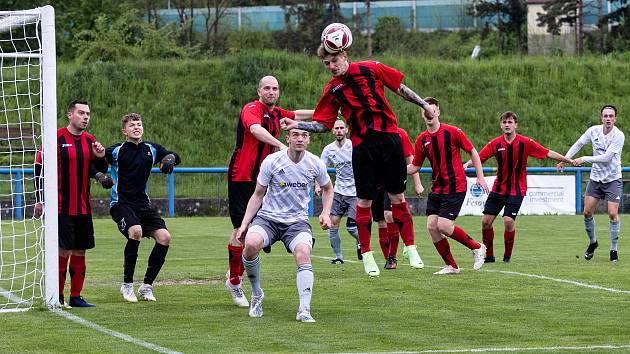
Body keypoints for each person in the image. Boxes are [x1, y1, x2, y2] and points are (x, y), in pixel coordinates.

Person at [281, 45, 432, 277]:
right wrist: (297, 124)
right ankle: (368, 255)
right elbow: (324, 124)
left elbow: (399, 88)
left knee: (398, 197)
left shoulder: (371, 68)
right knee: (364, 201)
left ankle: (411, 247)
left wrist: (424, 104)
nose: (331, 67)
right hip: (362, 147)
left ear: (344, 55)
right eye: (326, 64)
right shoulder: (332, 89)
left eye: (333, 61)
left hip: (390, 139)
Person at [226, 76, 313, 307]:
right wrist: (282, 145)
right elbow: (255, 130)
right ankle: (234, 282)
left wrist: (328, 111)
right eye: (267, 88)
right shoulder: (252, 109)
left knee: (259, 233)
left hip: (267, 179)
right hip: (243, 176)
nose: (271, 91)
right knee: (240, 230)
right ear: (259, 91)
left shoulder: (278, 114)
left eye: (275, 88)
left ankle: (240, 276)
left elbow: (299, 114)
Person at [237, 128, 333, 323]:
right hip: (268, 218)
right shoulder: (272, 161)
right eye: (295, 135)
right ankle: (257, 295)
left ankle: (304, 310)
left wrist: (325, 213)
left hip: (297, 222)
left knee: (303, 254)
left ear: (309, 140)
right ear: (287, 138)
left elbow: (328, 188)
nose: (300, 139)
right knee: (251, 245)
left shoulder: (316, 163)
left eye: (304, 136)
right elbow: (257, 195)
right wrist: (244, 224)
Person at [465, 111, 574, 263]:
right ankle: (489, 256)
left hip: (517, 189)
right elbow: (478, 158)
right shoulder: (495, 144)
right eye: (504, 122)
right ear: (501, 125)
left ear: (515, 125)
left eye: (510, 122)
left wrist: (567, 160)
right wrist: (465, 165)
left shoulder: (526, 143)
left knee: (508, 221)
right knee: (485, 221)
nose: (507, 125)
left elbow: (547, 152)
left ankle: (507, 257)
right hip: (498, 189)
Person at [34, 99, 112, 308]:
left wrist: (102, 157)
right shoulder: (55, 138)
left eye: (87, 114)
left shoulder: (89, 140)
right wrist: (40, 200)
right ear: (70, 115)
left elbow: (98, 168)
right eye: (81, 113)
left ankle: (76, 296)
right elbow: (39, 168)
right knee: (63, 251)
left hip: (83, 207)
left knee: (80, 250)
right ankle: (56, 295)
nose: (85, 117)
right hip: (60, 207)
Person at [407, 97, 488, 275]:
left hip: (455, 185)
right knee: (431, 226)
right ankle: (451, 266)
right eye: (425, 110)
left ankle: (477, 247)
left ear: (438, 113)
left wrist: (480, 177)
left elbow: (473, 151)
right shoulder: (421, 140)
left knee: (443, 226)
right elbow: (415, 166)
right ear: (422, 114)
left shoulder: (452, 132)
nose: (429, 113)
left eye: (432, 110)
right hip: (438, 187)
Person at [105, 113, 181, 302]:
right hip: (121, 204)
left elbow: (174, 156)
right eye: (132, 125)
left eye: (139, 124)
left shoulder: (151, 148)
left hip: (143, 205)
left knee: (165, 237)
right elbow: (96, 161)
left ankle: (146, 286)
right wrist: (100, 175)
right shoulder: (116, 150)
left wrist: (170, 159)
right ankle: (127, 285)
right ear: (125, 130)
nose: (136, 127)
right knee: (136, 231)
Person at [557, 105, 625, 262]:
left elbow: (607, 157)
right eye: (605, 115)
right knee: (587, 213)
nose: (608, 118)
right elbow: (579, 144)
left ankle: (613, 250)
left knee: (613, 214)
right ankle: (593, 242)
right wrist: (564, 160)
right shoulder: (593, 131)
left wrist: (584, 159)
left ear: (615, 118)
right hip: (596, 178)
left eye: (611, 116)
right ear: (601, 118)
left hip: (613, 179)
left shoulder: (619, 136)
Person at [372, 127, 424, 270]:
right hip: (375, 182)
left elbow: (410, 159)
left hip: (393, 179)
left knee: (389, 215)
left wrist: (418, 183)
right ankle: (388, 258)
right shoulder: (369, 133)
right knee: (381, 222)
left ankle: (394, 255)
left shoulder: (400, 133)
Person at [316, 119, 361, 264]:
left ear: (346, 130)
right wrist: (318, 185)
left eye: (342, 127)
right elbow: (321, 169)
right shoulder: (329, 149)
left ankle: (361, 242)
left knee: (352, 228)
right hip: (338, 191)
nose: (340, 130)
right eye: (337, 128)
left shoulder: (353, 145)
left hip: (355, 192)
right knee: (333, 224)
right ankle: (338, 257)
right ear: (333, 131)